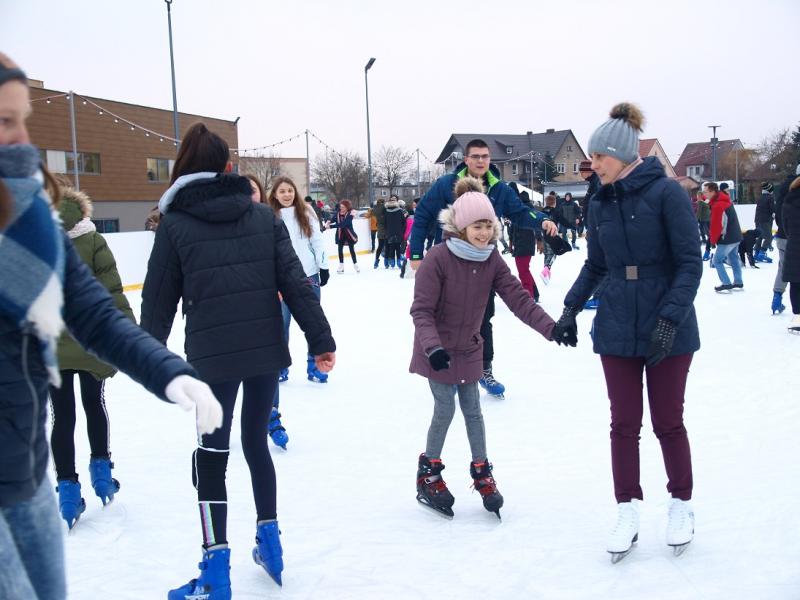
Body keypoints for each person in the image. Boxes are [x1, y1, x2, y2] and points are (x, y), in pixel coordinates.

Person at [0, 54, 222, 600]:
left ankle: (87, 471)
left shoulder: (28, 218)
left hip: (24, 485)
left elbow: (94, 309)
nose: (22, 138)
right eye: (7, 121)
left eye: (22, 118)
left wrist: (170, 374)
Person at [140, 122, 336, 597]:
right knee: (254, 442)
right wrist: (320, 339)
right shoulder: (262, 217)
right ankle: (271, 545)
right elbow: (296, 283)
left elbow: (158, 301)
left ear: (182, 169)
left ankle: (215, 568)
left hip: (211, 360)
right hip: (265, 350)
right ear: (228, 168)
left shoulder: (175, 225)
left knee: (212, 455)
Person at [554, 103, 701, 561]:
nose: (591, 165)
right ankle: (628, 509)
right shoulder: (599, 200)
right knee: (623, 424)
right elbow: (597, 263)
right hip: (617, 318)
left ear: (620, 155)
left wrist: (668, 319)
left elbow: (690, 264)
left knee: (667, 421)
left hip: (666, 321)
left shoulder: (666, 194)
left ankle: (681, 504)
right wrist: (570, 309)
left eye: (597, 157)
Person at [409, 177, 556, 519]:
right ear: (461, 225)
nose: (484, 233)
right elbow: (421, 311)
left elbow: (518, 299)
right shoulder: (438, 258)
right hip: (438, 351)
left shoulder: (491, 259)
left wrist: (552, 328)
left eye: (489, 226)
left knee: (474, 411)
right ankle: (428, 472)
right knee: (445, 409)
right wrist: (433, 348)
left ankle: (482, 472)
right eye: (477, 226)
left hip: (470, 347)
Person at [408, 138, 558, 399]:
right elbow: (422, 215)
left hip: (483, 261)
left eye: (485, 156)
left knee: (482, 317)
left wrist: (542, 220)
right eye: (475, 156)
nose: (480, 161)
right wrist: (417, 253)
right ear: (465, 160)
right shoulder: (447, 184)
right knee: (445, 315)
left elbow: (520, 212)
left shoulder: (499, 188)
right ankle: (444, 364)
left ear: (490, 160)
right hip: (448, 262)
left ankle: (483, 369)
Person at [49, 186, 137, 529]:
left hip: (52, 344)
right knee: (94, 403)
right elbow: (113, 292)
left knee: (62, 416)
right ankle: (101, 472)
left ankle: (67, 488)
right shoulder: (95, 241)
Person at [265, 176, 330, 448]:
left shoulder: (306, 213)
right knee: (280, 325)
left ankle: (314, 367)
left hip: (308, 276)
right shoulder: (270, 216)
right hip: (281, 280)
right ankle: (280, 366)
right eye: (282, 191)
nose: (287, 194)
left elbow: (317, 241)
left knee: (312, 325)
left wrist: (323, 266)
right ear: (275, 194)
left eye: (290, 190)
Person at [771, 165, 800, 314]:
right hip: (791, 236)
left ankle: (777, 296)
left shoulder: (786, 190)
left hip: (785, 235)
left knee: (785, 269)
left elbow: (780, 214)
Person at [707, 181, 744, 292]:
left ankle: (726, 283)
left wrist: (713, 241)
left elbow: (716, 226)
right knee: (733, 258)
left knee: (717, 261)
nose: (704, 194)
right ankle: (738, 281)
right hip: (736, 236)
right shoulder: (725, 201)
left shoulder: (718, 205)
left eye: (706, 192)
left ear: (713, 192)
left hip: (727, 238)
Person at [509, 191, 539, 300]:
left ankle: (528, 295)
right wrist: (511, 242)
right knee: (525, 269)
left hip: (524, 243)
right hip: (523, 243)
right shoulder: (520, 211)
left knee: (523, 270)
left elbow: (537, 225)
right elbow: (513, 228)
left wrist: (512, 242)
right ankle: (534, 293)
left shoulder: (525, 211)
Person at [780, 173, 800, 332]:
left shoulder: (789, 201)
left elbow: (785, 225)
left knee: (796, 282)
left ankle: (798, 317)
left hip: (795, 244)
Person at [325, 199, 359, 273]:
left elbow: (344, 224)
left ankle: (355, 264)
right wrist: (329, 221)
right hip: (340, 234)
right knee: (340, 249)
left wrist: (331, 227)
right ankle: (341, 266)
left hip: (349, 234)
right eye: (341, 207)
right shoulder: (338, 213)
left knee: (351, 250)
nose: (341, 208)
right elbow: (333, 219)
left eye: (343, 207)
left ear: (347, 207)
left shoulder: (350, 214)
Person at [383, 194, 407, 269]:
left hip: (390, 232)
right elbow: (403, 222)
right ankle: (398, 262)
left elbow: (385, 223)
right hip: (399, 232)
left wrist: (387, 230)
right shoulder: (399, 211)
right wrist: (402, 230)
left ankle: (392, 262)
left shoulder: (386, 211)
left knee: (392, 247)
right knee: (398, 247)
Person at [754, 182, 775, 262]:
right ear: (770, 190)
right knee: (769, 237)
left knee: (760, 236)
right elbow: (773, 208)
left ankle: (756, 253)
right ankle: (762, 253)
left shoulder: (760, 197)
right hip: (765, 220)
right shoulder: (770, 197)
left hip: (758, 219)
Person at [372, 197, 387, 268]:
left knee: (380, 246)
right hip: (386, 229)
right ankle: (386, 261)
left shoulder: (375, 209)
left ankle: (376, 260)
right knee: (388, 246)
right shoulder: (384, 208)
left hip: (380, 230)